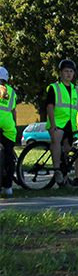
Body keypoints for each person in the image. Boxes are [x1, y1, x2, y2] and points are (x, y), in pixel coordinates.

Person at [46, 59, 78, 186]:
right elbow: (50, 106)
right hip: (57, 122)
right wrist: (52, 123)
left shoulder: (76, 90)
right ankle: (57, 170)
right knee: (56, 141)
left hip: (70, 123)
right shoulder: (54, 87)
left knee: (67, 150)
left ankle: (65, 175)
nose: (69, 74)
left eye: (71, 71)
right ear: (60, 72)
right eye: (66, 71)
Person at [0, 67, 17, 195]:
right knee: (9, 157)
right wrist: (14, 126)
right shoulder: (11, 91)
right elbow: (13, 111)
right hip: (9, 129)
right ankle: (8, 187)